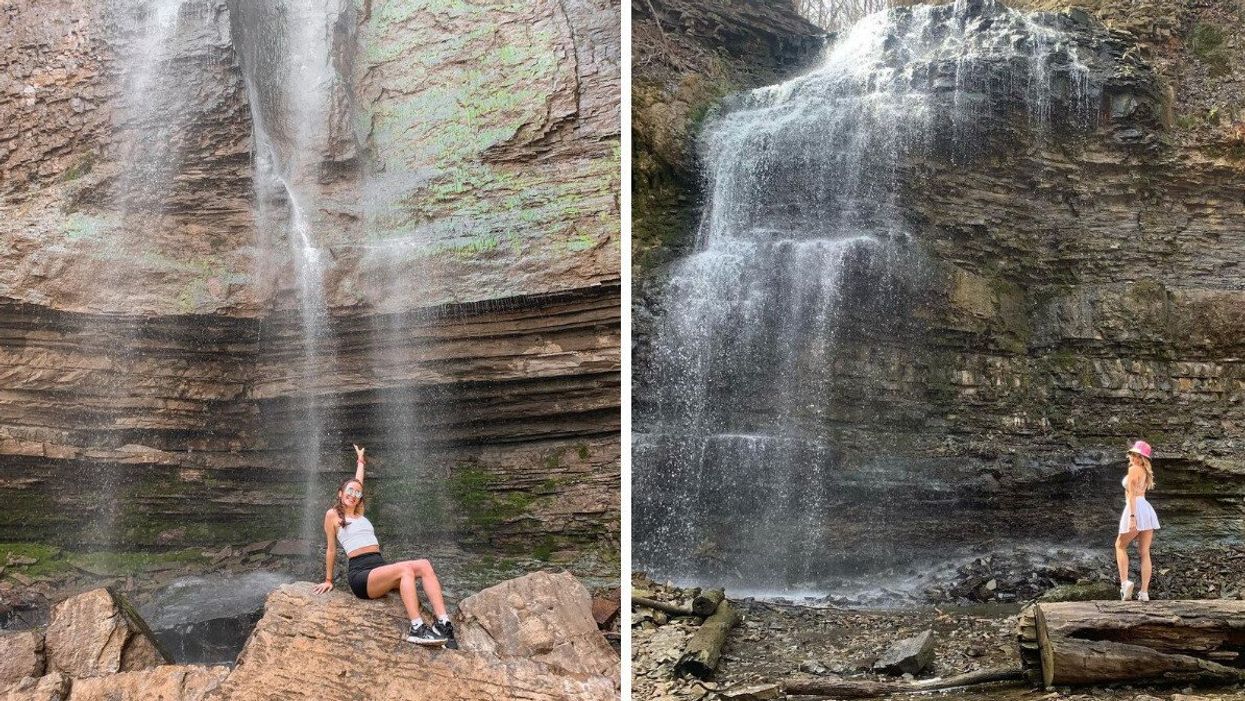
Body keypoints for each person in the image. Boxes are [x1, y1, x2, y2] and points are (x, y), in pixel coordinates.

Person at [314, 444, 456, 647]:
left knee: (424, 564)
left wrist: (360, 461)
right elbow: (331, 549)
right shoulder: (333, 515)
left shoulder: (359, 512)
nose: (353, 494)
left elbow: (358, 483)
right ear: (340, 493)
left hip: (378, 569)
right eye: (349, 491)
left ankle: (444, 624)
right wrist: (328, 579)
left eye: (357, 493)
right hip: (361, 576)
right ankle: (417, 628)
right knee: (405, 569)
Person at [1115, 440, 1159, 601]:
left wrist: (1132, 517)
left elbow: (1132, 495)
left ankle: (1125, 583)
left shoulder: (1134, 469)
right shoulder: (1145, 471)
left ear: (1142, 458)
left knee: (1120, 545)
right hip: (1146, 509)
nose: (1133, 457)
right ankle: (1144, 593)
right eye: (1132, 454)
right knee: (1144, 552)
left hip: (1135, 509)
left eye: (1137, 455)